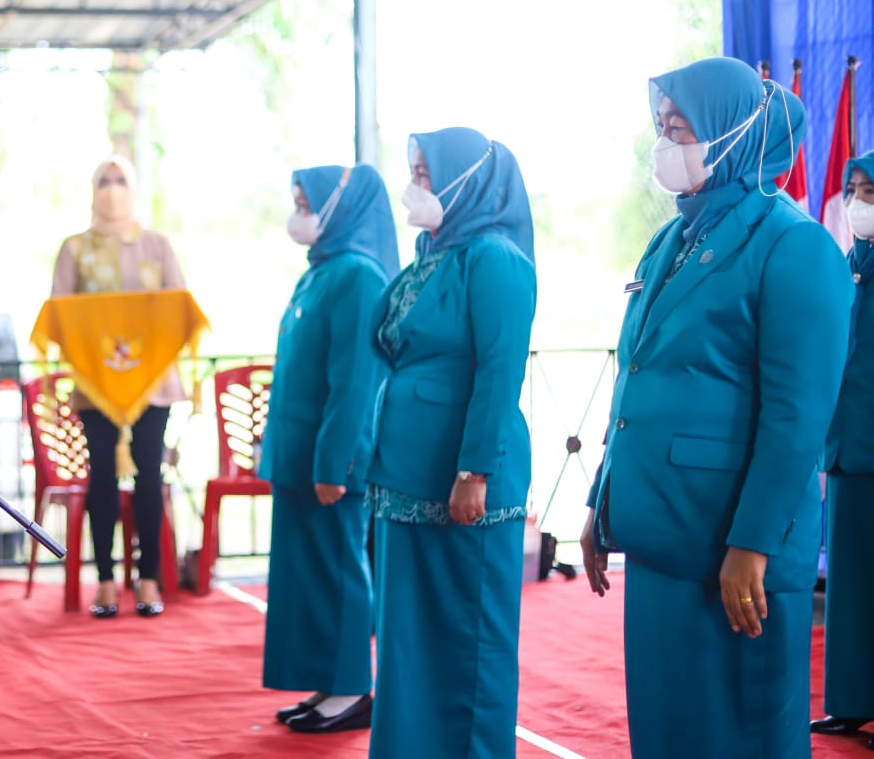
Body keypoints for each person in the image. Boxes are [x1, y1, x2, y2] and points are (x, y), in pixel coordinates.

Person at [580, 57, 849, 758]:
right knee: (672, 732)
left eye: (680, 129)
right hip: (665, 536)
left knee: (741, 734)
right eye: (662, 128)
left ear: (731, 137)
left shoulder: (795, 246)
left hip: (732, 547)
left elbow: (797, 417)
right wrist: (601, 502)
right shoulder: (671, 238)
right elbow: (636, 377)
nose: (665, 144)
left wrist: (752, 543)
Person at [365, 127, 537, 757]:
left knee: (469, 643)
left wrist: (474, 471)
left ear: (467, 183)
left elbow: (500, 370)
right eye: (412, 171)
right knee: (409, 643)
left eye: (425, 174)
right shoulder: (431, 255)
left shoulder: (495, 259)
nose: (413, 187)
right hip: (405, 473)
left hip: (462, 478)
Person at [259, 164, 397, 733]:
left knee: (338, 568)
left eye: (306, 203)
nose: (299, 213)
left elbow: (355, 383)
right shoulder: (319, 273)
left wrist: (336, 461)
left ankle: (351, 688)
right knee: (306, 573)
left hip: (327, 459)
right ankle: (327, 682)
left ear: (340, 209)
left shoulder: (358, 276)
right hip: (297, 455)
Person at [50, 154, 185, 618]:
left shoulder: (156, 245)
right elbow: (60, 314)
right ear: (91, 189)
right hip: (96, 385)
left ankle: (149, 579)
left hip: (153, 386)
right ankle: (105, 580)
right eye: (103, 181)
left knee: (149, 474)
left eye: (120, 180)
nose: (111, 189)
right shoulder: (74, 249)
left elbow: (178, 309)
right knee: (101, 478)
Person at [811, 149, 874, 748]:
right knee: (850, 585)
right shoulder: (847, 264)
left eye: (869, 191)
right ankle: (851, 701)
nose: (857, 202)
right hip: (847, 450)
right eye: (853, 189)